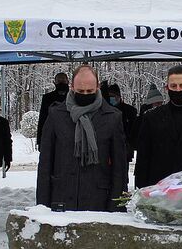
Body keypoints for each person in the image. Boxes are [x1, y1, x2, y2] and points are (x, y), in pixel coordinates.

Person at [37, 65, 127, 211]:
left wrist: (117, 207)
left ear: (97, 87)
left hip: (99, 201)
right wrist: (42, 207)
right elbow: (45, 165)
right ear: (71, 87)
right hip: (62, 198)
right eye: (80, 91)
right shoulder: (56, 115)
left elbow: (119, 169)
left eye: (90, 91)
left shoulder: (113, 117)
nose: (85, 94)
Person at [106, 83, 138, 159]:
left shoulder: (129, 111)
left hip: (124, 151)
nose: (112, 99)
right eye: (110, 97)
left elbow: (133, 132)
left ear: (119, 97)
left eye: (114, 97)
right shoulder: (105, 110)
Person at [37, 72, 69, 147]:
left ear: (68, 81)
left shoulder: (74, 97)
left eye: (63, 81)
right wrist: (40, 140)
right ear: (54, 82)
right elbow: (42, 118)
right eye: (59, 81)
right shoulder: (47, 98)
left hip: (70, 136)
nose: (61, 83)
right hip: (52, 136)